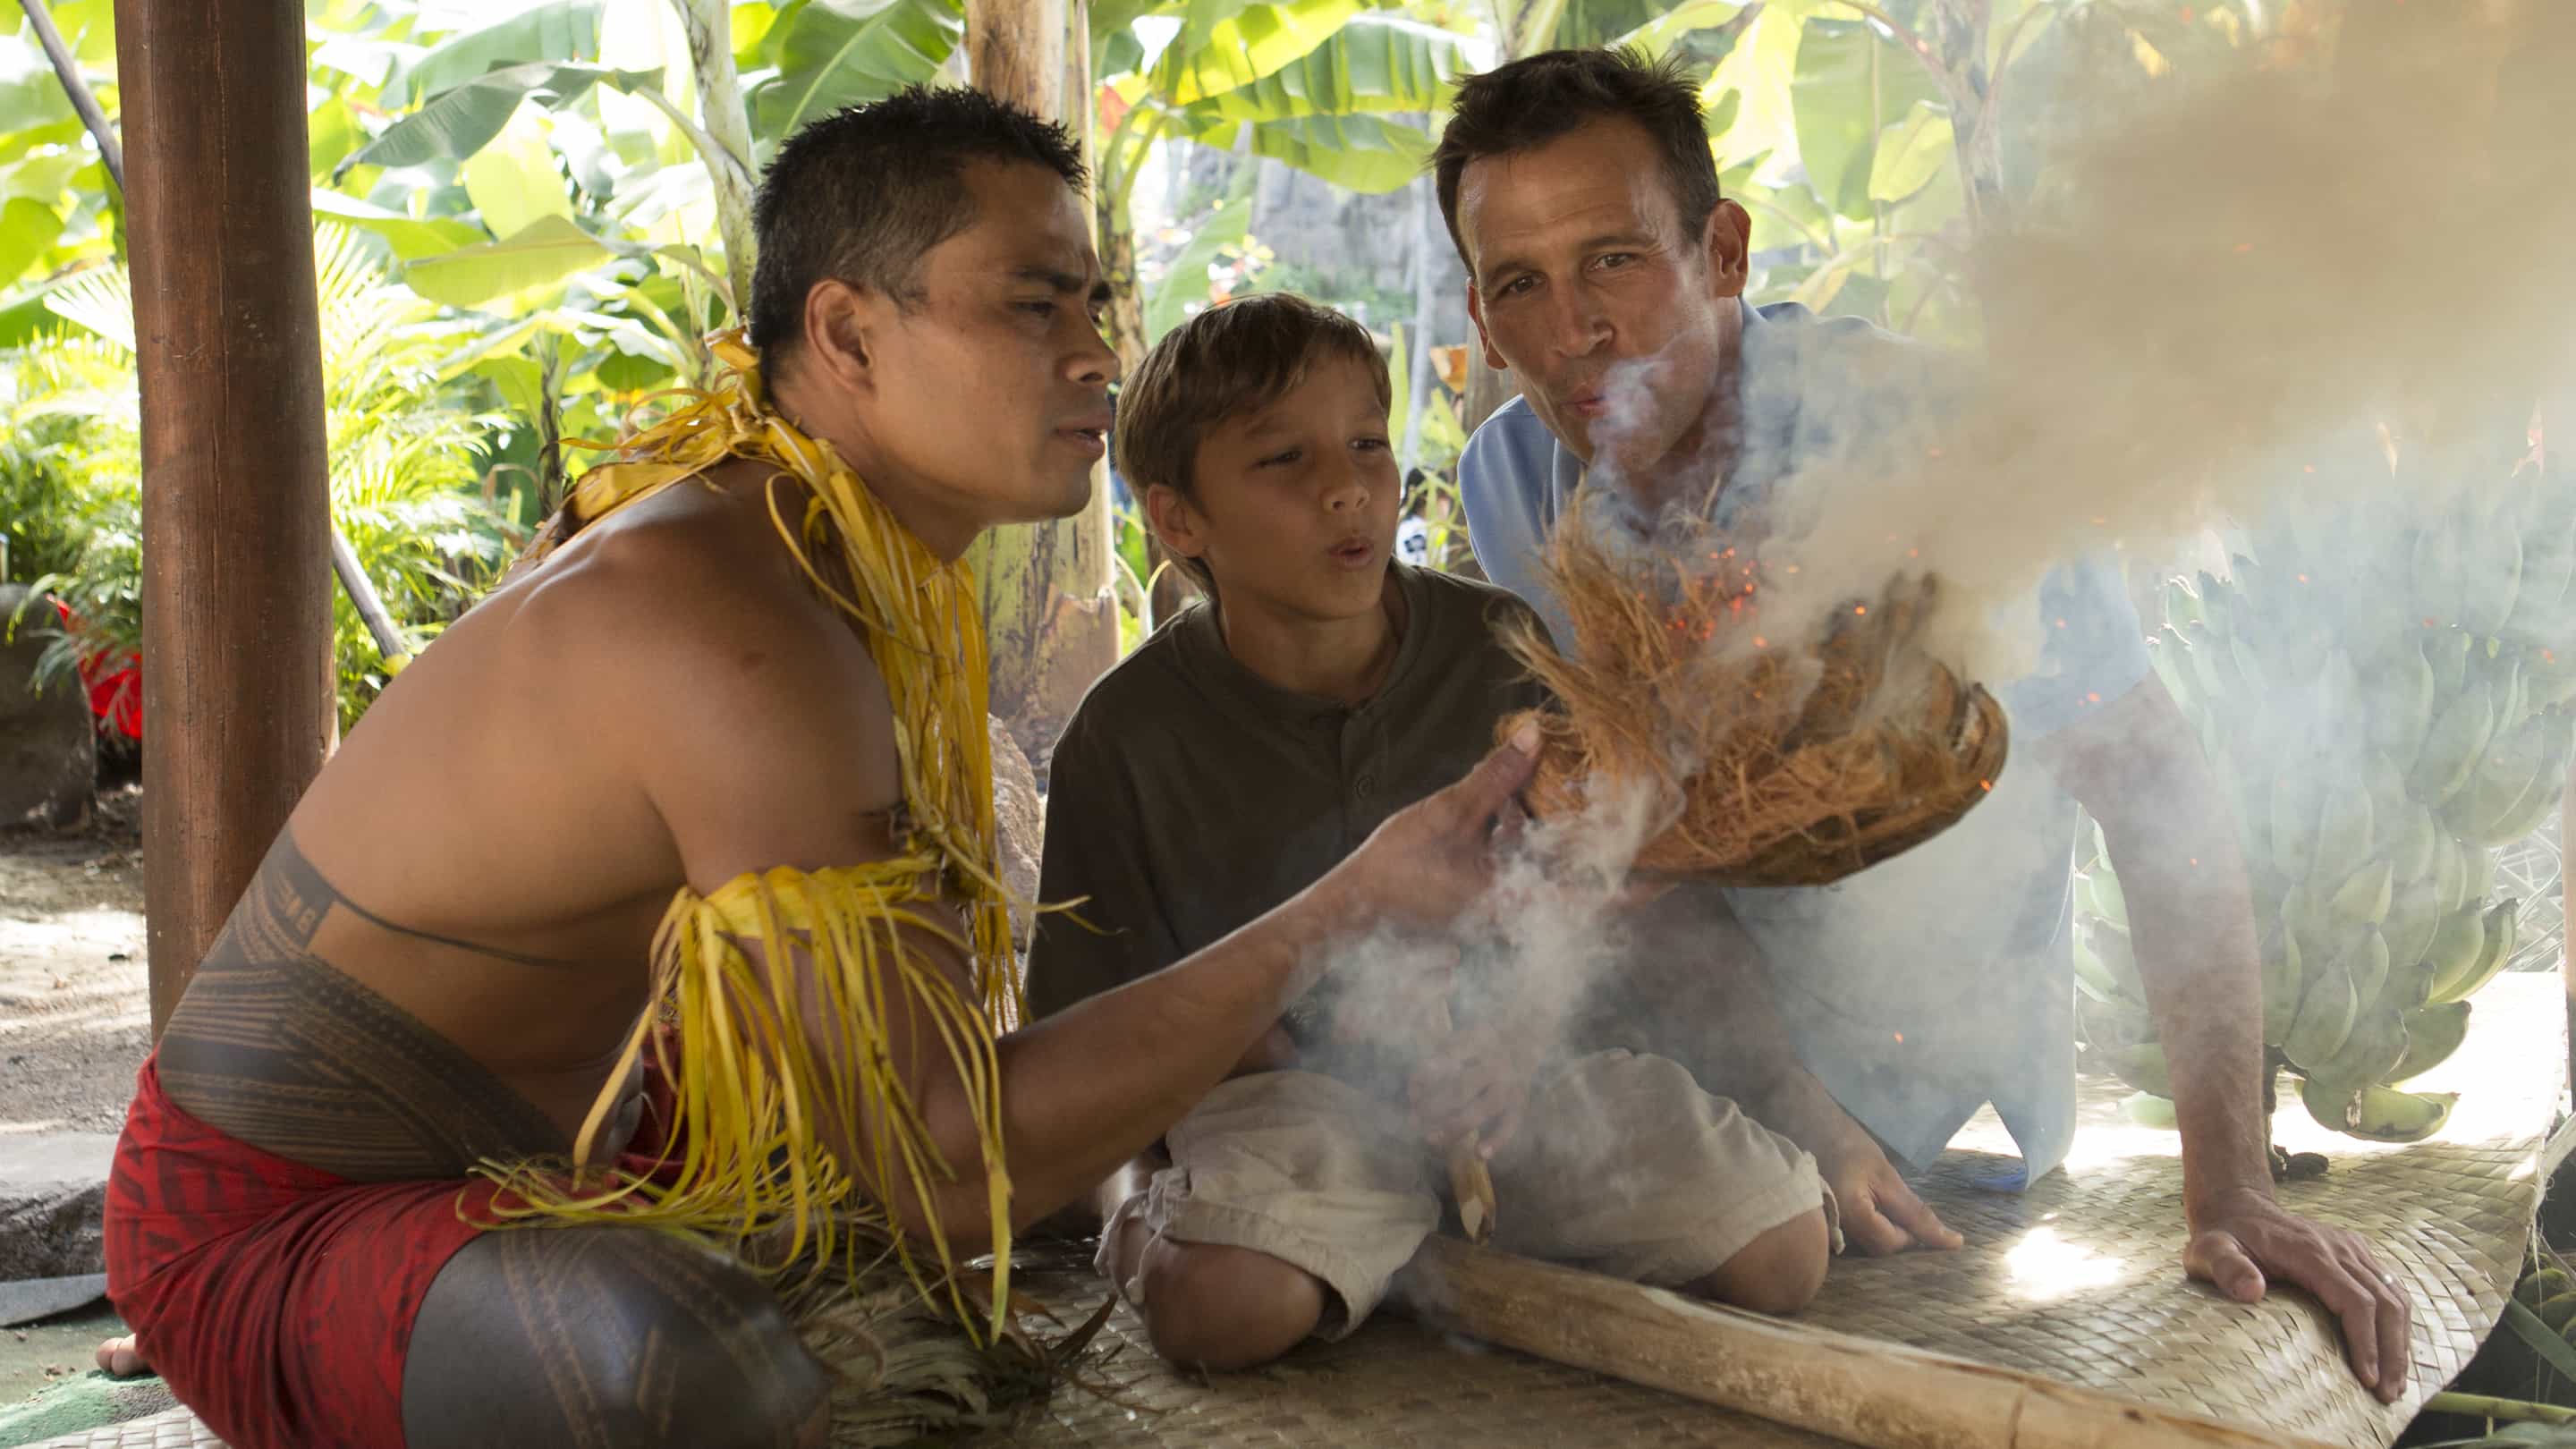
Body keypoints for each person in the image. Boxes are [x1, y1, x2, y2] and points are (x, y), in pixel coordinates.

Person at [93, 88, 1543, 1449]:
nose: (1100, 352)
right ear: (848, 338)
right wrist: (1339, 908)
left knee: (876, 1253)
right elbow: (936, 1173)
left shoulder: (825, 548)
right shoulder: (737, 621)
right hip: (288, 1220)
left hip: (605, 1146)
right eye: (1034, 305)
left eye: (1093, 301)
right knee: (692, 1367)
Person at [1432, 47, 2414, 1402]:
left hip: (1934, 1101)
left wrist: (2232, 1186)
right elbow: (1636, 832)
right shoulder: (1509, 483)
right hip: (1699, 1073)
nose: (1573, 330)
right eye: (1520, 284)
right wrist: (1781, 1102)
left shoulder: (1931, 437)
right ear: (1482, 321)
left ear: (1722, 250)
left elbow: (2152, 783)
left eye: (1616, 259)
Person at [1025, 292, 1833, 1371]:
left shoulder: (1501, 643)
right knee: (1222, 1313)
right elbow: (1102, 1036)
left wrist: (1516, 1040)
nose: (1347, 487)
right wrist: (1166, 1162)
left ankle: (1401, 1245)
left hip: (1517, 1081)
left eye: (1367, 442)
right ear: (1180, 522)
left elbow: (1593, 901)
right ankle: (1258, 1236)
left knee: (1782, 1250)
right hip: (1290, 1108)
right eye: (1282, 461)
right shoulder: (1125, 740)